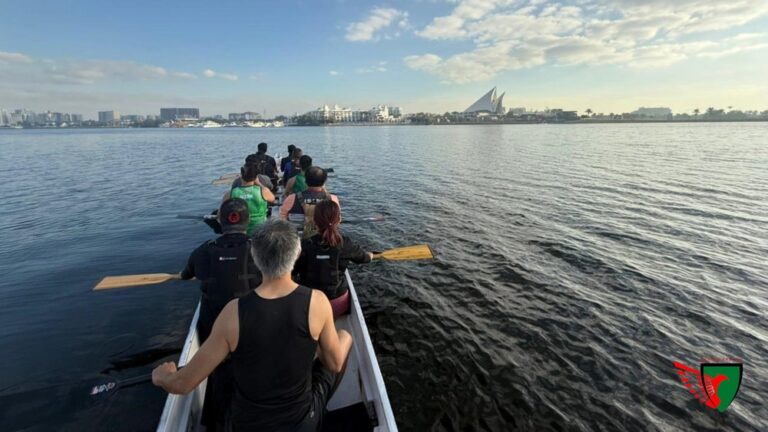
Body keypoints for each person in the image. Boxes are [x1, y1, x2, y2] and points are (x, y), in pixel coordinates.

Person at [153, 221, 353, 432]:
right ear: (297, 254)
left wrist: (162, 376)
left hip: (245, 425)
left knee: (224, 366)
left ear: (255, 257)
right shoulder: (317, 302)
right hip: (302, 423)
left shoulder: (233, 312)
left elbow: (182, 384)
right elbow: (335, 364)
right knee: (344, 337)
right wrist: (330, 343)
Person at [179, 198, 262, 430]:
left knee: (221, 371)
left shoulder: (203, 251)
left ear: (220, 222)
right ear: (247, 222)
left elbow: (185, 275)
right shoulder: (259, 249)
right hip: (251, 324)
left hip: (213, 327)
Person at [294, 200, 373, 318]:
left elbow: (294, 271)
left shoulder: (304, 244)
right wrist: (370, 255)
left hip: (310, 301)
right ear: (339, 220)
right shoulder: (345, 244)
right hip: (337, 303)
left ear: (315, 221)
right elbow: (364, 259)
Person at [279, 166, 339, 238]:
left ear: (305, 181)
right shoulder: (332, 199)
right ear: (324, 182)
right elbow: (336, 220)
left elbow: (282, 219)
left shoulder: (292, 198)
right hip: (323, 239)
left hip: (297, 240)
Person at [224, 164, 276, 235]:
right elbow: (273, 199)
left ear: (241, 175)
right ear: (256, 177)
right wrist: (259, 183)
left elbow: (220, 215)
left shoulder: (230, 193)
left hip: (240, 232)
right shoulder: (263, 191)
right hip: (261, 230)